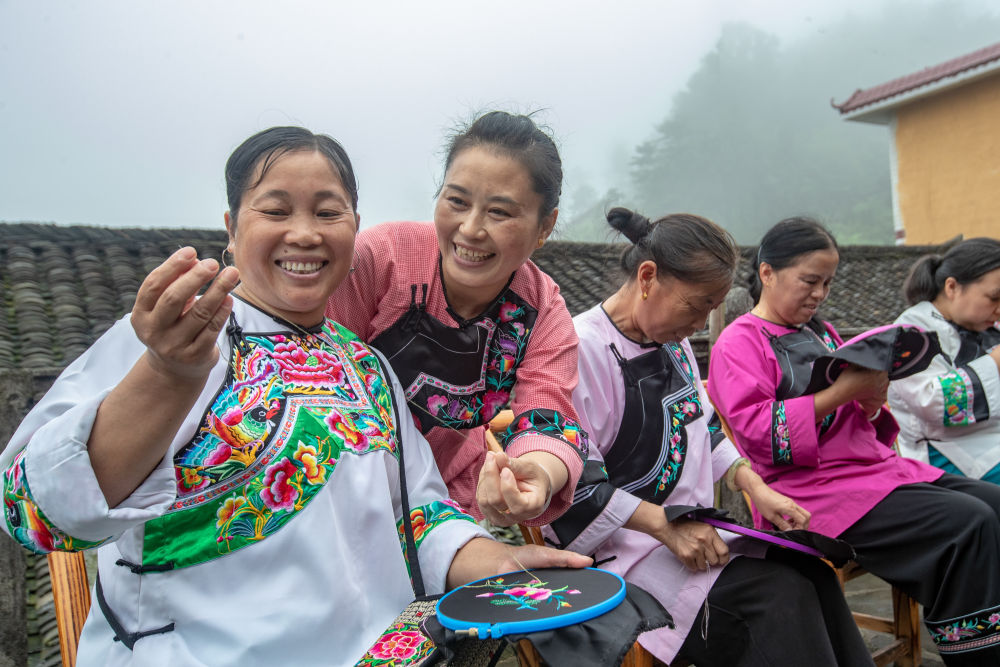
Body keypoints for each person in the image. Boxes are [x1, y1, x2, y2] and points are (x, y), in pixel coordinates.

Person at [0, 126, 590, 666]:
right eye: (276, 210)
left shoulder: (367, 368)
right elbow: (36, 511)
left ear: (355, 227)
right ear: (232, 227)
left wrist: (501, 565)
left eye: (328, 213)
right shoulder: (177, 339)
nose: (305, 233)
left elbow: (420, 516)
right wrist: (166, 374)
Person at [547, 207, 873, 666]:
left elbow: (701, 425)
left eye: (710, 309)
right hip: (623, 554)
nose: (702, 325)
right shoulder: (580, 350)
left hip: (689, 533)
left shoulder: (672, 341)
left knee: (811, 573)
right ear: (647, 277)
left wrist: (755, 486)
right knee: (778, 597)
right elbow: (572, 483)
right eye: (697, 305)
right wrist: (663, 526)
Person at [708, 217, 1000, 665]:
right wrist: (846, 392)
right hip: (809, 492)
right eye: (810, 281)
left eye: (827, 282)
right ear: (767, 272)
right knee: (970, 522)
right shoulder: (738, 342)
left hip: (872, 473)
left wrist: (868, 403)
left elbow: (857, 423)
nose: (820, 294)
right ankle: (978, 652)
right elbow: (759, 434)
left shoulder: (820, 333)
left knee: (993, 503)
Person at [328, 111, 586, 527]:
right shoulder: (379, 260)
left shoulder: (541, 311)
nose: (470, 229)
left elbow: (548, 414)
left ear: (545, 226)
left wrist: (534, 475)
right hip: (331, 492)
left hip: (442, 505)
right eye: (457, 201)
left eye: (499, 212)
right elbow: (310, 373)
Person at [888, 238, 1000, 482]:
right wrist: (995, 363)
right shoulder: (912, 331)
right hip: (951, 453)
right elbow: (931, 402)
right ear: (952, 287)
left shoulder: (991, 327)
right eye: (994, 297)